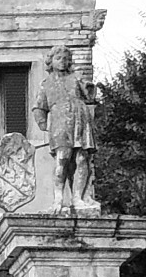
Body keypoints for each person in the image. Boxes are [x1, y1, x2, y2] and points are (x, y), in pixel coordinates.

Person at [34, 46, 102, 208]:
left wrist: (87, 87)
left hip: (80, 120)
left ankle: (78, 197)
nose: (63, 62)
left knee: (81, 158)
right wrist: (43, 123)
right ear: (51, 61)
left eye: (65, 58)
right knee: (62, 159)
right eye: (59, 58)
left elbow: (90, 96)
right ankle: (58, 198)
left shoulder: (76, 78)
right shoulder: (46, 84)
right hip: (60, 123)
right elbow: (39, 107)